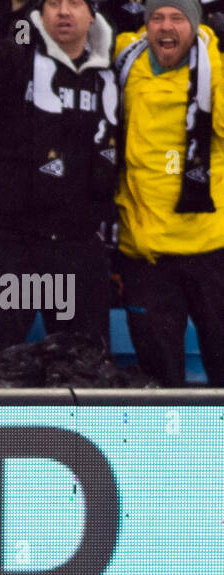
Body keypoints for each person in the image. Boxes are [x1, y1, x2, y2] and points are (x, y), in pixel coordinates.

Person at [0, 0, 119, 378]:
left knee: (90, 373)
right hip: (9, 247)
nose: (64, 11)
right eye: (54, 3)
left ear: (93, 14)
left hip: (79, 250)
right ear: (39, 12)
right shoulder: (12, 57)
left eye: (75, 3)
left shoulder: (114, 71)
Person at [114, 0, 224, 386]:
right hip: (146, 255)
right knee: (160, 384)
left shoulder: (218, 66)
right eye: (157, 17)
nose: (166, 26)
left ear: (195, 25)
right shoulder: (126, 59)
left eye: (178, 17)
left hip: (212, 249)